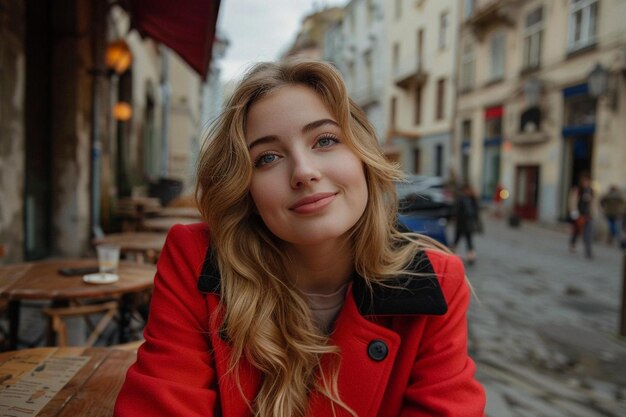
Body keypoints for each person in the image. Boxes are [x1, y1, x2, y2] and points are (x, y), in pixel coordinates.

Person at [114, 59, 486, 417]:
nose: (304, 172)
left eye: (325, 140)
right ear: (247, 192)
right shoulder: (195, 260)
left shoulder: (436, 281)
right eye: (267, 158)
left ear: (363, 157)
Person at [452, 183, 481, 265]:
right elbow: (457, 211)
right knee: (456, 240)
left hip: (468, 224)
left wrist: (476, 223)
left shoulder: (472, 199)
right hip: (461, 223)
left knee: (469, 240)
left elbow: (476, 212)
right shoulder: (461, 199)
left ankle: (471, 256)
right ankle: (451, 254)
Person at [568, 174, 594, 258]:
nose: (586, 183)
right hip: (579, 214)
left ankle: (588, 251)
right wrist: (574, 212)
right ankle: (573, 243)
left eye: (588, 181)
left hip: (588, 215)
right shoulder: (577, 190)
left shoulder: (591, 190)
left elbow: (593, 202)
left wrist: (593, 211)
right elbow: (572, 201)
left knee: (588, 233)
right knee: (577, 231)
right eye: (585, 181)